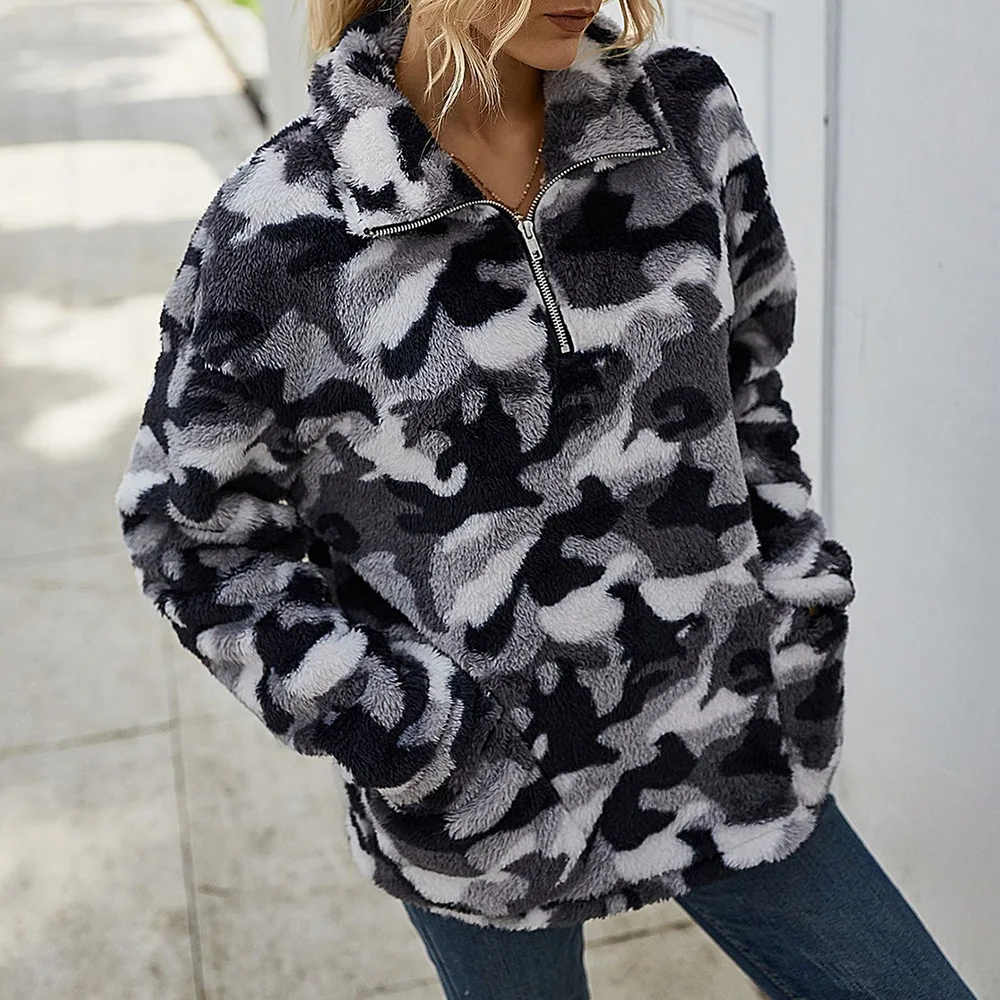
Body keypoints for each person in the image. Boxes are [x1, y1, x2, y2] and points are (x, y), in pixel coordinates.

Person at [113, 0, 979, 996]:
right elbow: (192, 536)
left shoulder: (683, 121)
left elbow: (744, 384)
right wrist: (408, 732)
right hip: (489, 812)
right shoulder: (278, 226)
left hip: (733, 739)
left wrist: (795, 601)